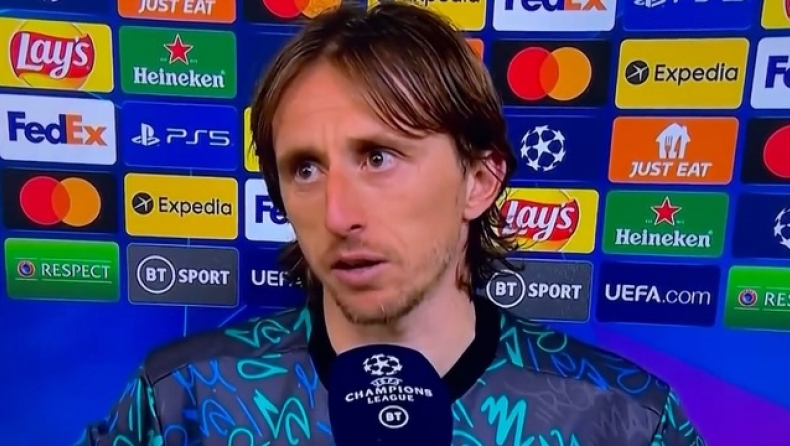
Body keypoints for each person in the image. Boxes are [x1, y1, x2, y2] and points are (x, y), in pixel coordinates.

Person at [76, 3, 706, 445]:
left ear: (478, 180)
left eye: (378, 158)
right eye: (305, 169)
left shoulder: (623, 419)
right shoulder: (183, 399)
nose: (338, 214)